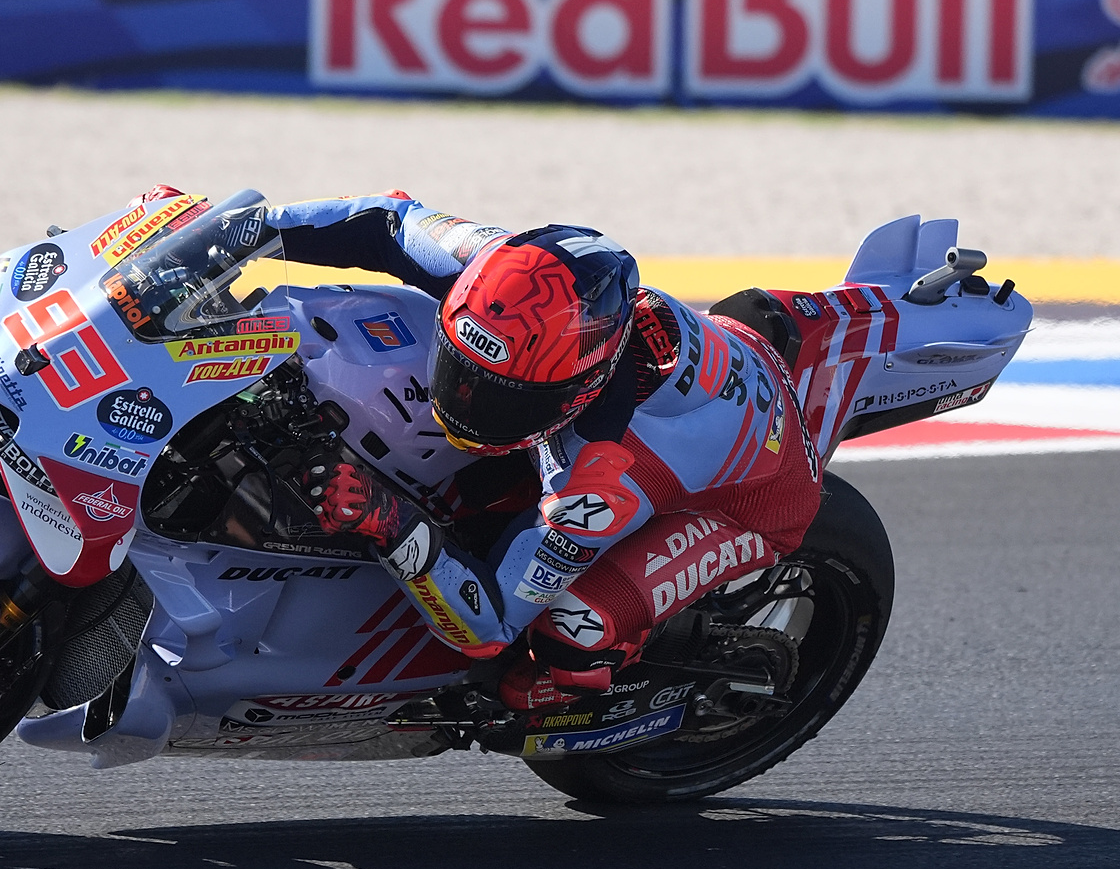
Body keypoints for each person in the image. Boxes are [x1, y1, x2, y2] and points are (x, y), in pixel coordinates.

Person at [253, 193, 826, 709]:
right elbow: (387, 222)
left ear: (579, 393)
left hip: (751, 500)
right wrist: (246, 230)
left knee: (566, 637)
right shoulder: (502, 276)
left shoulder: (599, 489)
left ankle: (609, 671)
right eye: (460, 371)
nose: (463, 404)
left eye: (506, 401)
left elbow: (490, 627)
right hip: (702, 376)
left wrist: (388, 517)